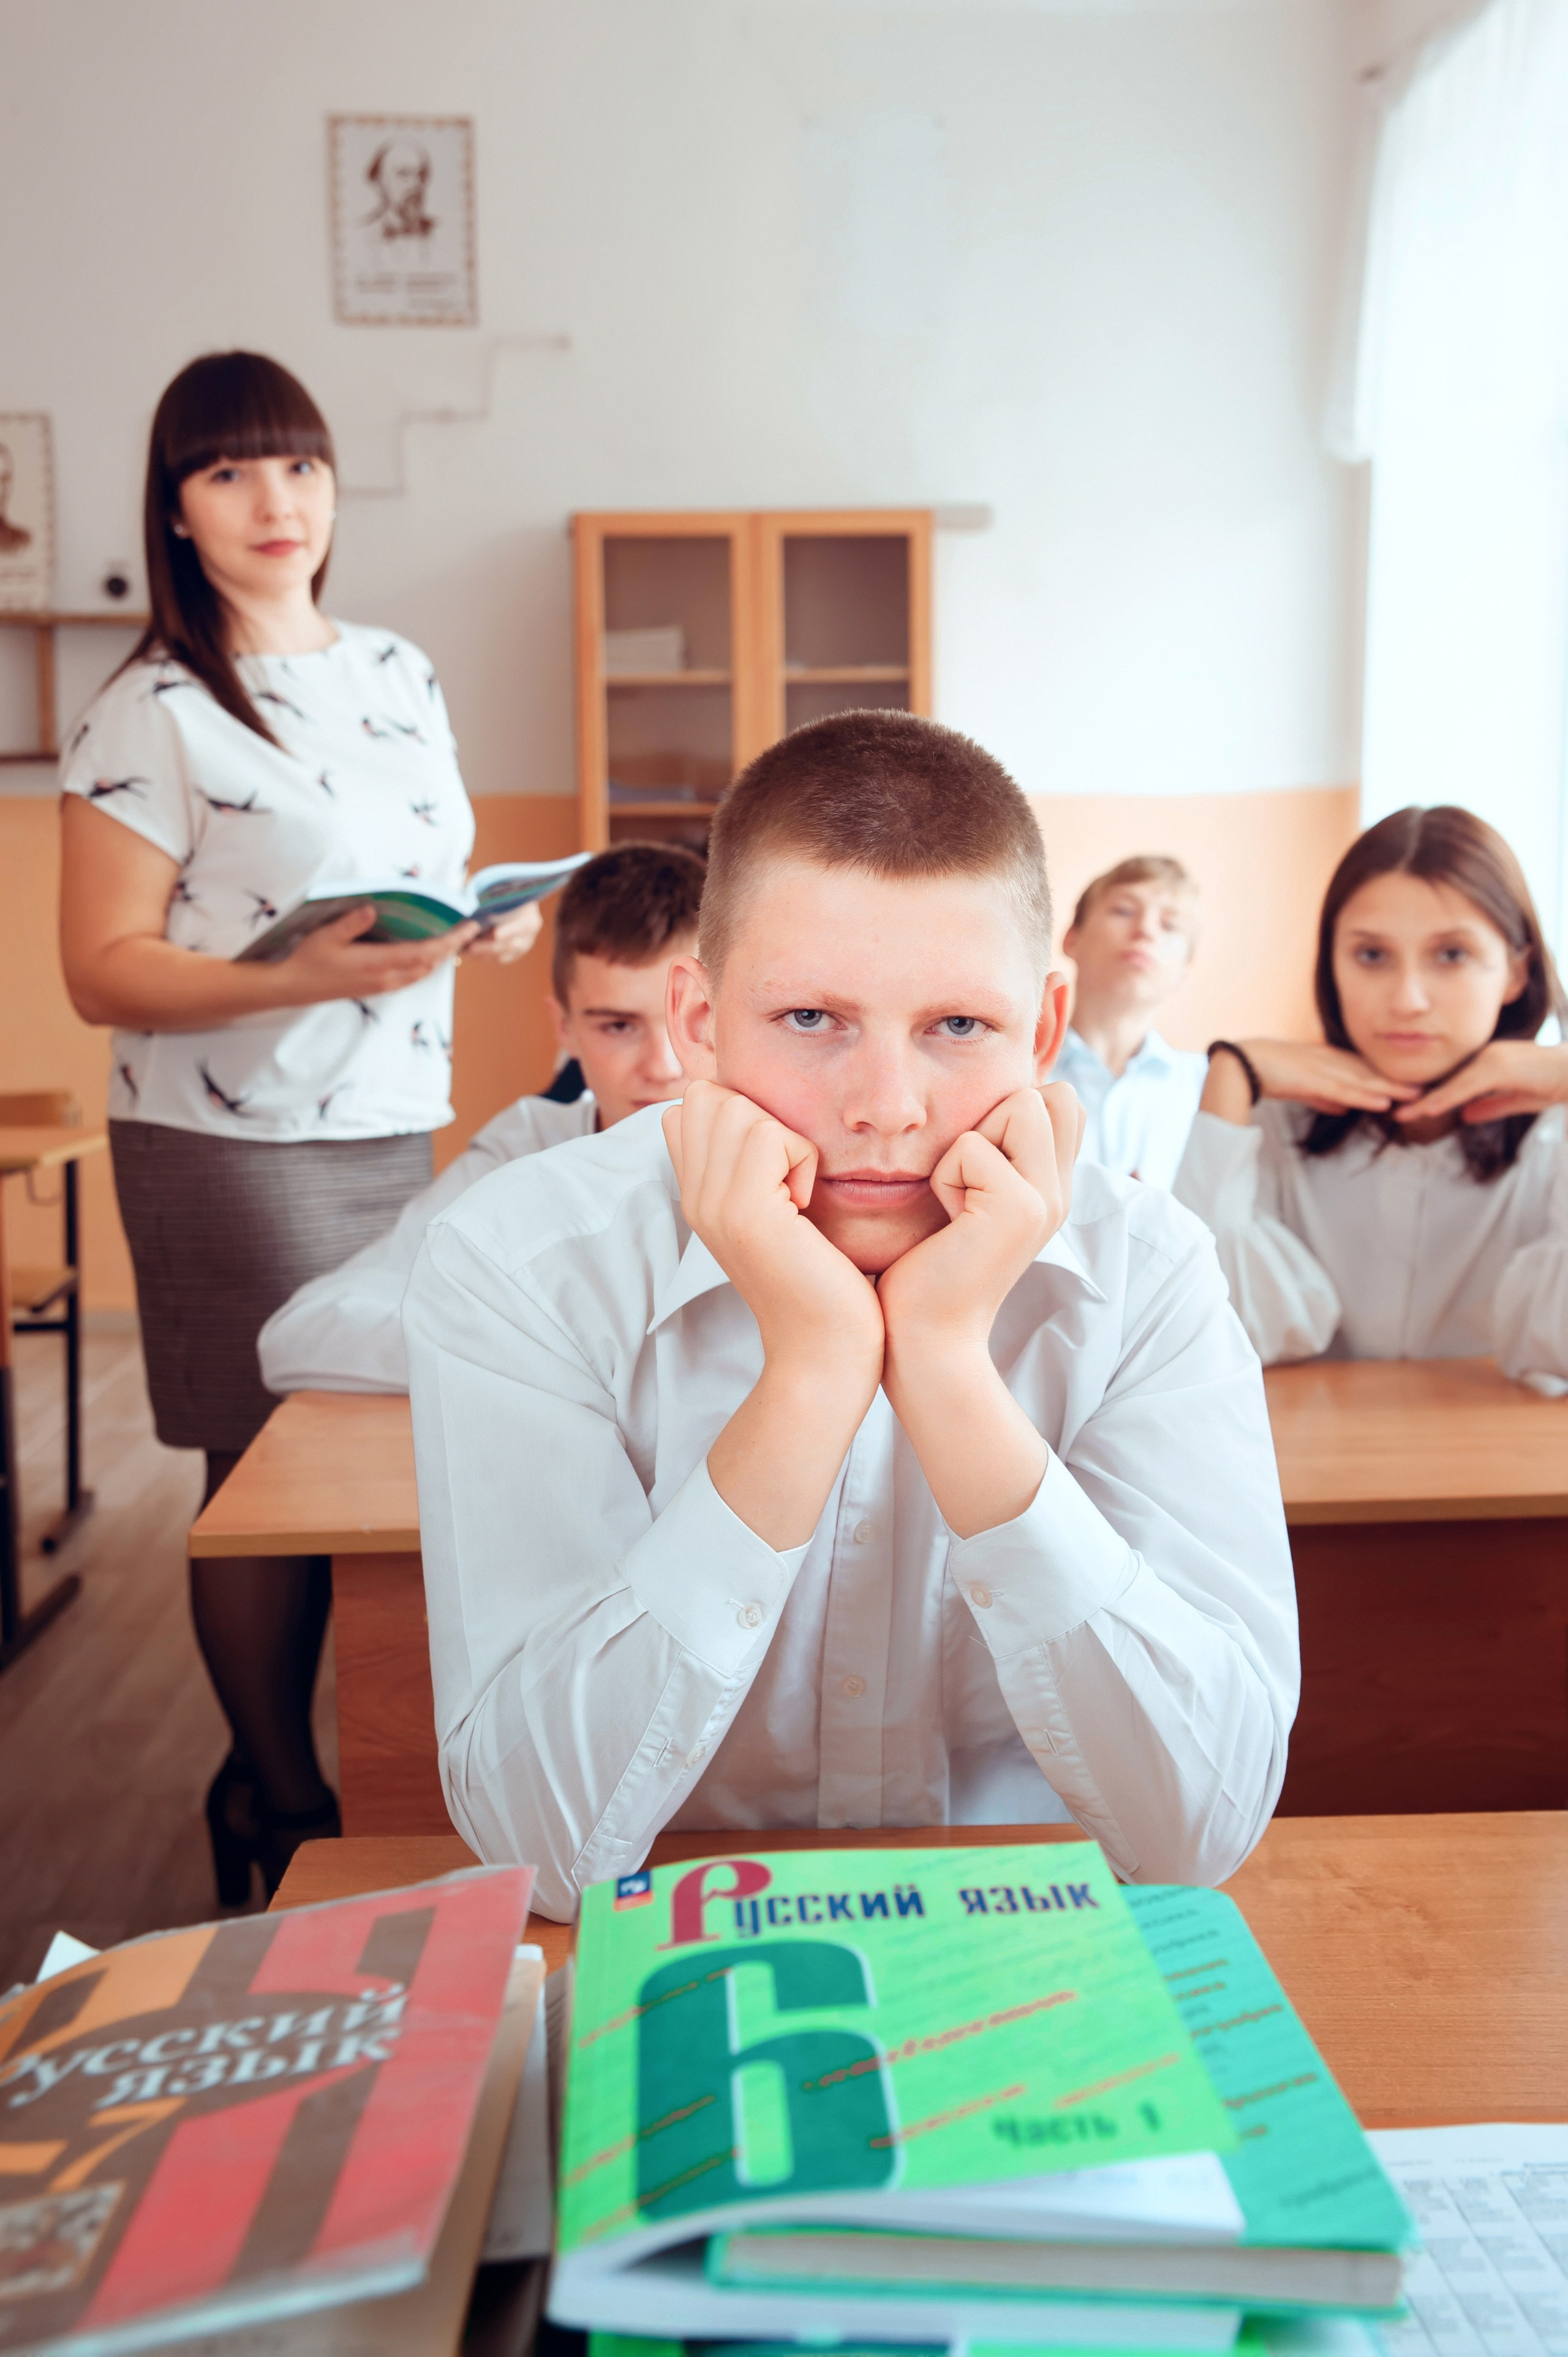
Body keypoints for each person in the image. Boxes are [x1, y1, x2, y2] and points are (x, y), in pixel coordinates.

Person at [403, 711, 1298, 1920]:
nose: (884, 1108)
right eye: (811, 1019)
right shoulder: (519, 1260)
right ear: (702, 1023)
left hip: (1034, 1944)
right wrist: (814, 1369)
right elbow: (540, 1851)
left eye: (956, 1027)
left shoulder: (1149, 1270)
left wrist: (942, 1362)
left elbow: (1198, 1831)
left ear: (1041, 1029)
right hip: (667, 1947)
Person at [57, 349, 541, 1904]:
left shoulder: (398, 669)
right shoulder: (150, 706)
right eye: (230, 473)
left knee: (353, 1440)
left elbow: (423, 865)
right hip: (226, 1138)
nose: (277, 502)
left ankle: (291, 1764)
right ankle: (277, 1788)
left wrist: (490, 931)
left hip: (387, 1118)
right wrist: (303, 972)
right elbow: (100, 966)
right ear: (178, 511)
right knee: (258, 1457)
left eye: (300, 467)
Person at [258, 841, 704, 1394]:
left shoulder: (804, 1160)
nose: (660, 1067)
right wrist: (547, 1348)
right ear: (564, 1028)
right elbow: (300, 1336)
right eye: (617, 1026)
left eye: (689, 1021)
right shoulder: (529, 1145)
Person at [1172, 804, 1568, 1376]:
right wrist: (1229, 1075)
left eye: (1451, 954)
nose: (1408, 998)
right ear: (1332, 964)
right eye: (1372, 955)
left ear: (1516, 972)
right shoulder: (1272, 1122)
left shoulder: (1554, 1133)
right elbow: (1195, 1334)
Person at [1050, 855, 1205, 1188]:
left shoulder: (1208, 1090)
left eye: (1170, 925)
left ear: (1185, 971)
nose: (1145, 930)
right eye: (1123, 911)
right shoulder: (1012, 1072)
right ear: (1072, 939)